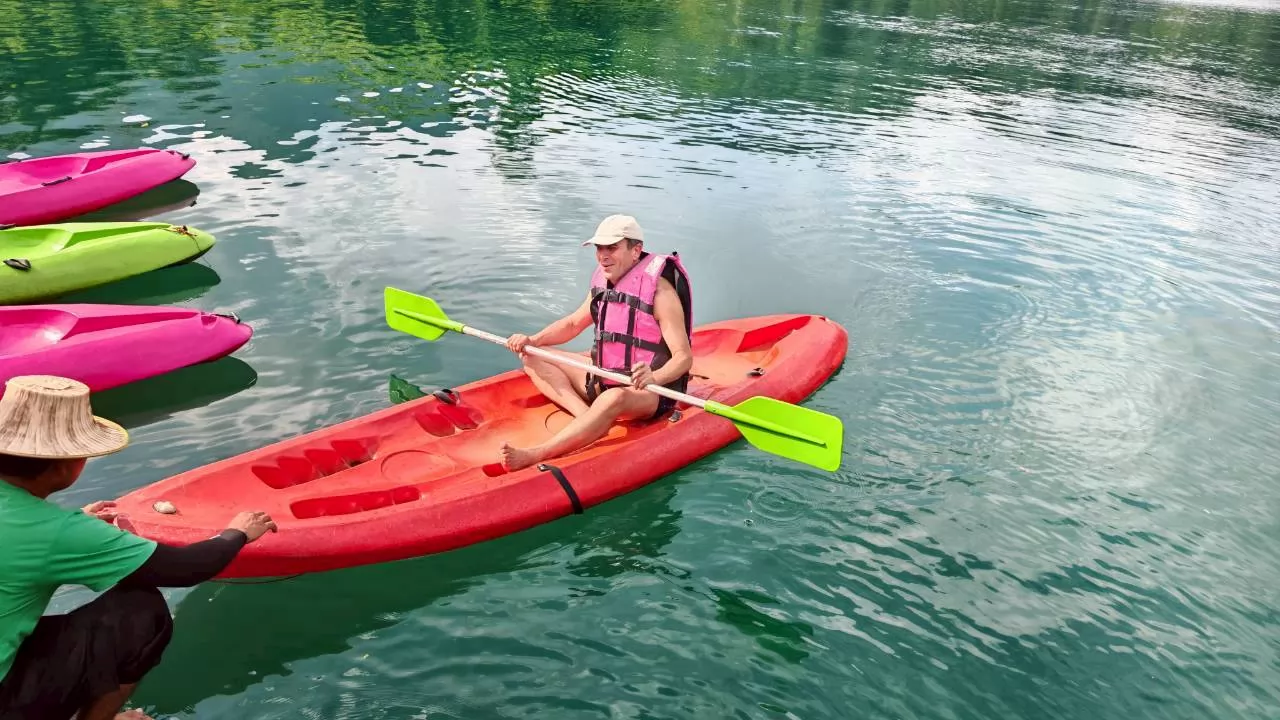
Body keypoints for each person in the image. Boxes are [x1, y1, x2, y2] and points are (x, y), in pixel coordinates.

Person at [0, 375, 278, 720]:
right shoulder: (57, 531)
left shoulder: (50, 527)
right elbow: (187, 568)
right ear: (66, 465)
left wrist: (77, 524)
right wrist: (238, 533)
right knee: (141, 609)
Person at [500, 214, 694, 471]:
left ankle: (536, 454)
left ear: (636, 250)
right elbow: (572, 324)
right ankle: (586, 417)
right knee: (533, 355)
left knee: (613, 398)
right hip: (603, 377)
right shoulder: (603, 282)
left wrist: (654, 378)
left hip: (648, 393)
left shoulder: (661, 293)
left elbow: (684, 357)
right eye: (599, 248)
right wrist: (532, 340)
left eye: (612, 247)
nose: (603, 255)